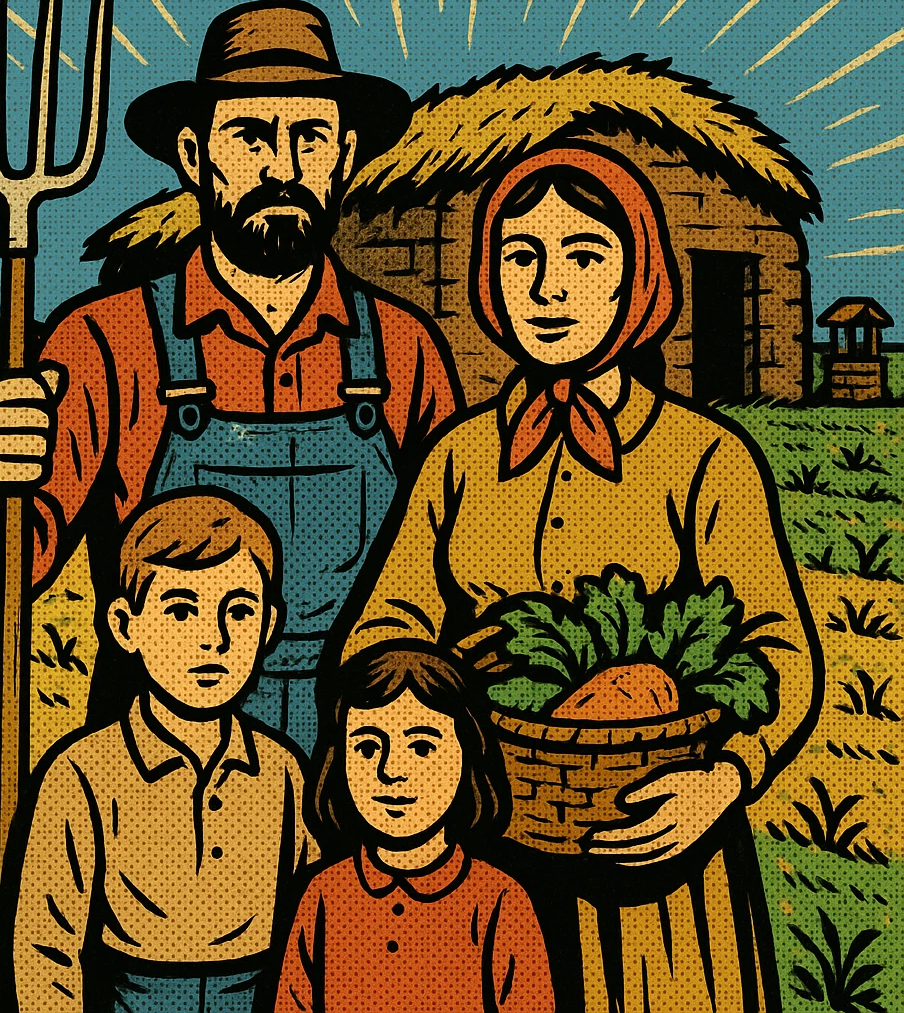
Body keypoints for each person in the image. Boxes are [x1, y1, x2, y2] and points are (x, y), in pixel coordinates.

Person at [339, 145, 823, 1010]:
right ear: (490, 279)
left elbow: (780, 652)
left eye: (584, 257)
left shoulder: (707, 459)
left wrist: (725, 778)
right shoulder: (461, 458)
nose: (549, 288)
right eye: (522, 257)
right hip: (490, 854)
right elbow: (383, 629)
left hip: (664, 865)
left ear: (637, 278)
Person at [0, 0, 461, 753]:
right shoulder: (105, 344)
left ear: (345, 154)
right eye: (250, 136)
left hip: (357, 779)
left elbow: (456, 569)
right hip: (159, 781)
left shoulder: (406, 354)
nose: (282, 167)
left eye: (309, 137)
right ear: (194, 155)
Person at [13, 489, 317, 1012]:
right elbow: (45, 946)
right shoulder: (82, 773)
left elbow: (316, 929)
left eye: (238, 611)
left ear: (268, 626)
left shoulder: (284, 771)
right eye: (181, 611)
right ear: (126, 627)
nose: (214, 639)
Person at [273, 645, 555, 1013]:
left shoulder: (500, 900)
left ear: (467, 754)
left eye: (422, 747)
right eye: (368, 747)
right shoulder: (324, 894)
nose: (391, 770)